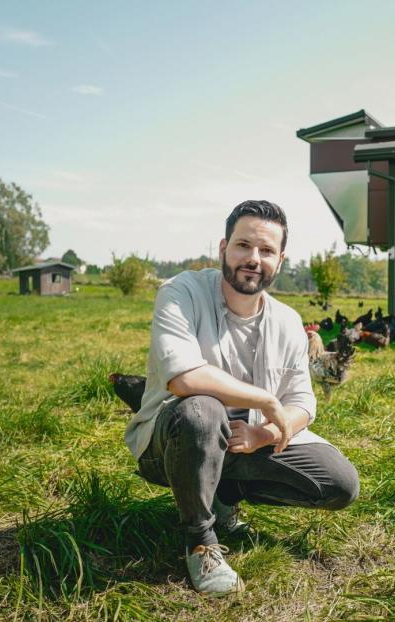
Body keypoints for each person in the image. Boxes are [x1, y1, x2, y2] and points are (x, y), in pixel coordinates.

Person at [125, 200, 360, 594]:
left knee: (340, 483)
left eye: (266, 251)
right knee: (202, 410)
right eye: (243, 246)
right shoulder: (181, 292)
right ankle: (200, 540)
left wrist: (263, 435)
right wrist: (266, 402)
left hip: (244, 440)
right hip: (172, 441)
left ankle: (223, 496)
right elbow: (184, 378)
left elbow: (303, 402)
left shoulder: (286, 321)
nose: (254, 259)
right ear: (223, 248)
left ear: (280, 261)